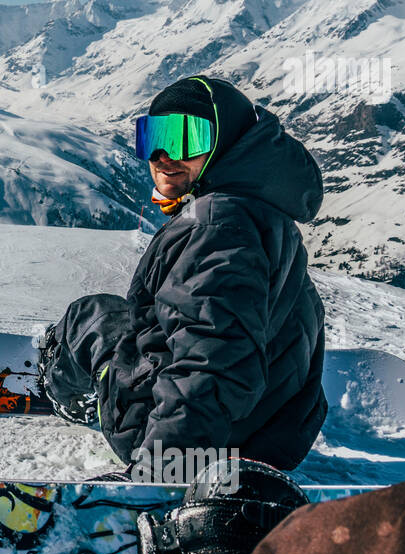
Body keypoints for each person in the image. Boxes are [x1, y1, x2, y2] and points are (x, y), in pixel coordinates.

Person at [37, 75, 328, 475]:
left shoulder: (217, 225)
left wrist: (162, 471)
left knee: (92, 316)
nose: (162, 154)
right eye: (152, 136)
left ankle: (65, 391)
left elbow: (211, 363)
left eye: (185, 138)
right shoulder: (266, 213)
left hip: (184, 445)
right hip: (271, 444)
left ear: (226, 144)